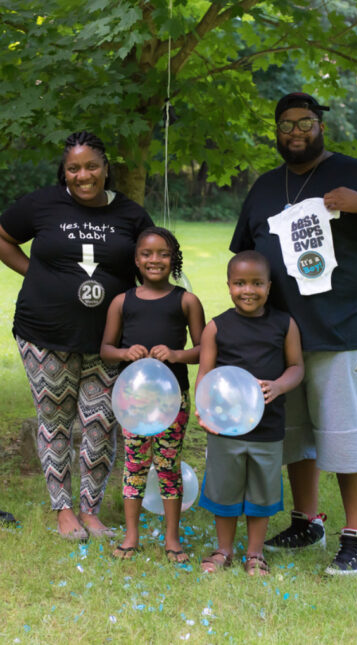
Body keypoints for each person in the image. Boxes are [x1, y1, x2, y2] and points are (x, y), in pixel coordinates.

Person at [230, 92, 357, 575]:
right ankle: (306, 520)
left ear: (320, 124)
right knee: (294, 435)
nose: (296, 133)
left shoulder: (356, 174)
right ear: (276, 131)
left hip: (342, 329)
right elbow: (245, 256)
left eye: (305, 123)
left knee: (346, 434)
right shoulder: (266, 187)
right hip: (280, 335)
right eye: (286, 125)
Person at [0, 131, 153, 540]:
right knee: (55, 422)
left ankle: (91, 510)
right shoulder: (42, 204)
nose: (83, 175)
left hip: (109, 339)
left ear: (106, 168)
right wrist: (36, 274)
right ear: (63, 172)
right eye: (73, 168)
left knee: (102, 421)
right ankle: (63, 510)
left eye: (91, 166)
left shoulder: (131, 214)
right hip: (44, 333)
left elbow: (150, 263)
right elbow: (4, 236)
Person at [196, 250, 304, 576]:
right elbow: (204, 375)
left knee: (261, 491)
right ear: (228, 285)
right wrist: (205, 412)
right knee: (225, 489)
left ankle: (255, 554)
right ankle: (223, 550)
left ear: (269, 287)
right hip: (225, 429)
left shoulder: (284, 324)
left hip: (268, 429)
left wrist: (280, 386)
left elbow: (297, 367)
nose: (248, 290)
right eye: (240, 283)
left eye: (257, 283)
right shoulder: (216, 328)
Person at [100, 226, 205, 561]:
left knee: (167, 465)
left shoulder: (186, 300)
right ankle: (131, 537)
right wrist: (124, 353)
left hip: (173, 401)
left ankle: (172, 539)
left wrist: (175, 355)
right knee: (134, 465)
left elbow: (205, 350)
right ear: (136, 259)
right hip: (134, 402)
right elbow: (105, 348)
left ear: (173, 258)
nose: (154, 259)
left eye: (162, 253)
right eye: (146, 254)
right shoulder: (122, 301)